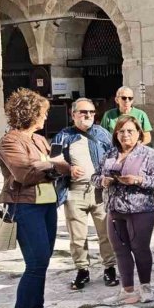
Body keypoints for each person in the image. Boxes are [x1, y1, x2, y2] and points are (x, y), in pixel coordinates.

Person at [0, 89, 75, 308]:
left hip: (46, 204)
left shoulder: (39, 140)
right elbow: (24, 174)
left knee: (44, 260)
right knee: (35, 263)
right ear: (30, 113)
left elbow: (60, 166)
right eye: (42, 113)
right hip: (24, 206)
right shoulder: (11, 141)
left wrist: (50, 166)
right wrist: (52, 166)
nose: (45, 118)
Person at [93, 115, 154, 305]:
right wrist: (102, 181)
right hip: (114, 208)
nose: (125, 135)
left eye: (130, 131)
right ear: (116, 134)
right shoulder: (109, 154)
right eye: (121, 131)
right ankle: (127, 290)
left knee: (140, 248)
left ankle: (146, 287)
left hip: (141, 209)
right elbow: (94, 176)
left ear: (138, 133)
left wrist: (139, 180)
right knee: (120, 250)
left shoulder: (148, 154)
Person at [53, 98, 118, 291]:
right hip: (75, 191)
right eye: (82, 112)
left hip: (100, 192)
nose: (88, 115)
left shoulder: (103, 134)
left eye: (90, 111)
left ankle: (110, 268)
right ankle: (82, 270)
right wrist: (68, 168)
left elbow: (115, 157)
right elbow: (53, 161)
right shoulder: (63, 136)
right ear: (73, 115)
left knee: (106, 233)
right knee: (77, 236)